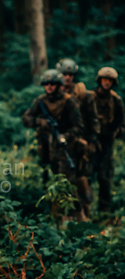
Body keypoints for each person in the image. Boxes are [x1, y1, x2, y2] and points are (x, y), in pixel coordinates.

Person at [22, 69, 86, 221]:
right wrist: (40, 122)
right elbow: (26, 118)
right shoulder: (40, 102)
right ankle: (54, 216)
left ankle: (71, 217)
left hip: (65, 149)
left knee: (66, 183)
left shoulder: (69, 101)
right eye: (47, 84)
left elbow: (79, 126)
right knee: (51, 183)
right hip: (46, 148)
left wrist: (66, 136)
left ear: (59, 85)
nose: (49, 87)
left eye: (53, 84)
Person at [56, 58, 100, 217]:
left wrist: (92, 141)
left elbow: (93, 119)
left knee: (82, 179)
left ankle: (86, 216)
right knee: (64, 180)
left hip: (81, 144)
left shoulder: (84, 95)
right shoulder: (55, 94)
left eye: (70, 74)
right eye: (64, 74)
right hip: (63, 145)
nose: (67, 77)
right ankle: (66, 216)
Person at [90, 67, 124, 212]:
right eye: (104, 80)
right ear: (99, 81)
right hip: (91, 141)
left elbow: (122, 123)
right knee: (86, 175)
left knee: (105, 178)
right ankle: (84, 209)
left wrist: (117, 132)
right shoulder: (90, 97)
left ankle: (104, 211)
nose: (107, 83)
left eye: (109, 80)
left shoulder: (116, 100)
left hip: (107, 142)